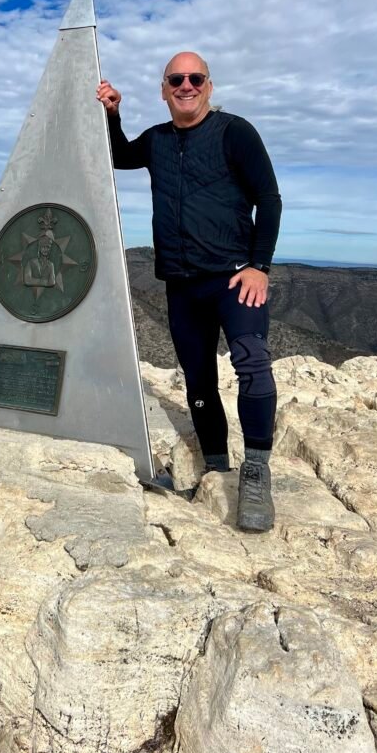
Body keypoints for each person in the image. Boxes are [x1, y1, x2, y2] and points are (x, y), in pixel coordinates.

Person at [97, 51, 282, 532]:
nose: (186, 85)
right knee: (198, 379)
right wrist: (112, 114)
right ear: (163, 90)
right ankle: (216, 468)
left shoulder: (234, 132)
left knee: (252, 363)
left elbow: (269, 199)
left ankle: (256, 472)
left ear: (209, 86)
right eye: (176, 79)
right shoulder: (157, 140)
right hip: (181, 284)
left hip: (233, 278)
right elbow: (118, 156)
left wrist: (259, 266)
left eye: (195, 78)